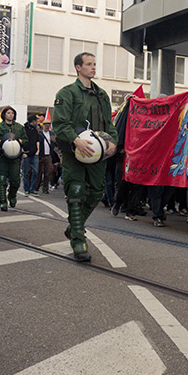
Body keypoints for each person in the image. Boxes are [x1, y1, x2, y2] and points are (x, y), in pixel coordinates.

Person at [53, 52, 118, 262]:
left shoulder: (102, 95)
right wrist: (75, 140)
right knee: (76, 192)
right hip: (75, 152)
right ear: (78, 67)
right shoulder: (67, 93)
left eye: (94, 64)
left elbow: (109, 124)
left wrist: (113, 142)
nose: (93, 67)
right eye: (89, 64)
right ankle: (79, 241)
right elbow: (60, 124)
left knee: (97, 192)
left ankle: (74, 227)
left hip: (97, 154)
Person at [0, 106, 27, 211]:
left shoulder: (19, 127)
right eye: (8, 113)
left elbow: (26, 140)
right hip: (2, 157)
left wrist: (21, 141)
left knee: (15, 180)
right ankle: (2, 201)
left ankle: (12, 196)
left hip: (15, 157)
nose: (11, 115)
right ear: (4, 115)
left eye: (12, 113)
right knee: (1, 180)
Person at [22, 114, 40, 194]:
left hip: (34, 153)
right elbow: (21, 141)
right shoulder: (24, 129)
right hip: (26, 153)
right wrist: (22, 152)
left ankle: (33, 188)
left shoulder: (35, 130)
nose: (37, 122)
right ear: (32, 121)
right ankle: (26, 189)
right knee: (26, 172)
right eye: (36, 120)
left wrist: (38, 151)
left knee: (35, 171)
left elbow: (37, 140)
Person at [37, 121, 55, 194]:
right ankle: (36, 187)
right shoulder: (40, 134)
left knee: (48, 172)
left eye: (48, 125)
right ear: (43, 125)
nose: (47, 126)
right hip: (41, 155)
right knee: (39, 172)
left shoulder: (52, 134)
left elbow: (54, 143)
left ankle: (45, 188)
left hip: (48, 155)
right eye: (46, 125)